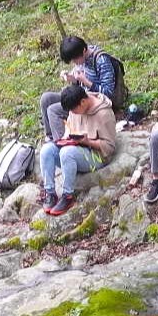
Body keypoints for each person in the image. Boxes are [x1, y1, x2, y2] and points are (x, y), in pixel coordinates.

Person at [37, 83, 117, 216]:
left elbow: (109, 147)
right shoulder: (76, 108)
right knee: (47, 150)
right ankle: (50, 192)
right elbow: (69, 126)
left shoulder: (104, 114)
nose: (72, 114)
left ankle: (68, 195)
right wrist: (65, 138)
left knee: (66, 152)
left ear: (83, 102)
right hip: (76, 148)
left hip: (96, 156)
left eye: (74, 110)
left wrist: (87, 141)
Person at [37, 36, 122, 143]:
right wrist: (72, 78)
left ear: (84, 50)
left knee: (53, 110)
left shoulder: (101, 61)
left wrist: (86, 81)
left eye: (75, 60)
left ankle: (62, 144)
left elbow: (108, 93)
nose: (75, 63)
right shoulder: (80, 56)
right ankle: (51, 137)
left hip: (93, 102)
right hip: (80, 95)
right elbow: (78, 79)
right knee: (47, 98)